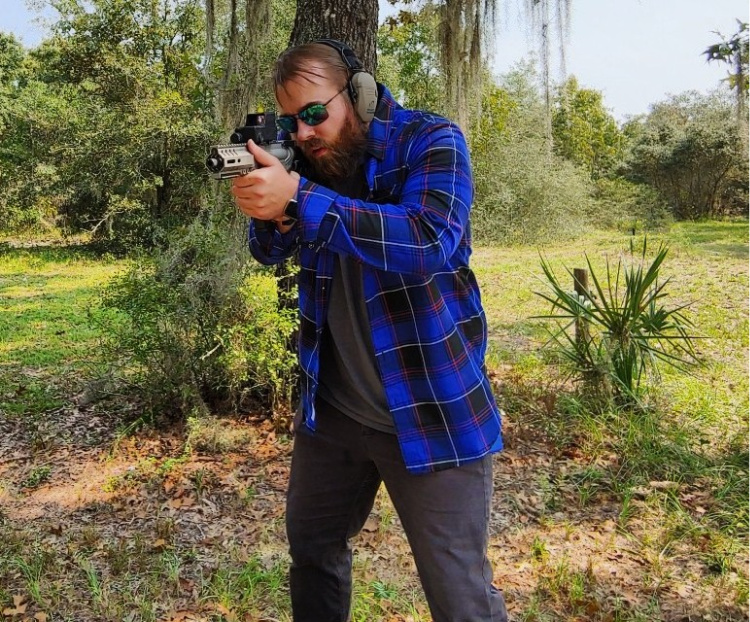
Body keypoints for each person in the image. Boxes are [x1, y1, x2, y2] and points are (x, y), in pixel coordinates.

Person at [231, 39, 508, 622]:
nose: (304, 133)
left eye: (314, 114)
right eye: (292, 121)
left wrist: (301, 197)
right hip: (333, 411)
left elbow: (430, 240)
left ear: (357, 94)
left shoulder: (432, 141)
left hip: (433, 407)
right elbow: (269, 251)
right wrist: (272, 208)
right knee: (312, 553)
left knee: (459, 593)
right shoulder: (305, 162)